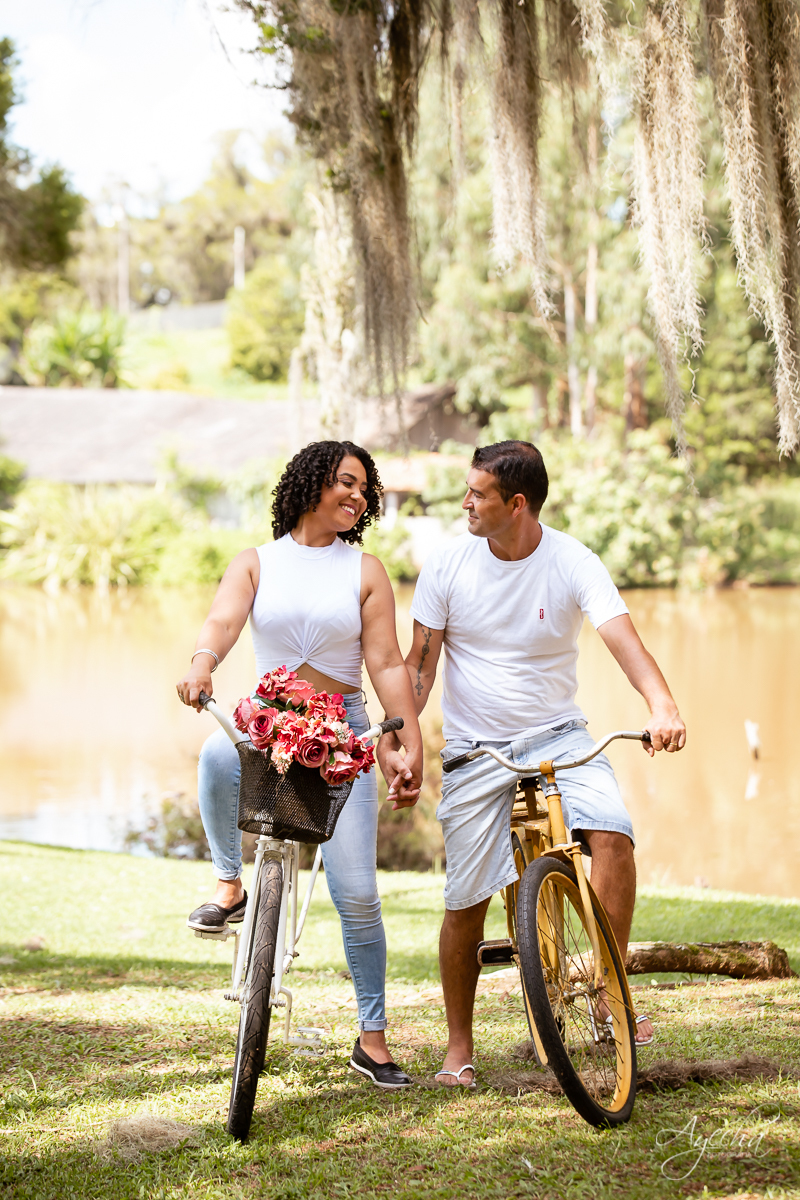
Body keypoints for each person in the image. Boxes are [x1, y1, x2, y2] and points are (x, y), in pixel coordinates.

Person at [383, 440, 686, 1088]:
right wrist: (404, 741)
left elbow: (624, 643)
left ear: (515, 504)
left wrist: (662, 705)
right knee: (464, 903)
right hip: (476, 750)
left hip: (558, 736)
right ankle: (458, 1047)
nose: (465, 503)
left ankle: (609, 991)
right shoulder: (448, 565)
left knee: (614, 836)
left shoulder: (572, 560)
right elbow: (420, 665)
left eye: (477, 494)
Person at [176, 440, 423, 1091]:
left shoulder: (365, 571)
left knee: (359, 894)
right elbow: (222, 622)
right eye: (347, 482)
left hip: (342, 726)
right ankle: (231, 888)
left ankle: (372, 1041)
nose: (358, 496)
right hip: (271, 711)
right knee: (214, 754)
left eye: (364, 489)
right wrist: (203, 661)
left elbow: (389, 663)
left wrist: (404, 740)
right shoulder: (258, 562)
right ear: (312, 483)